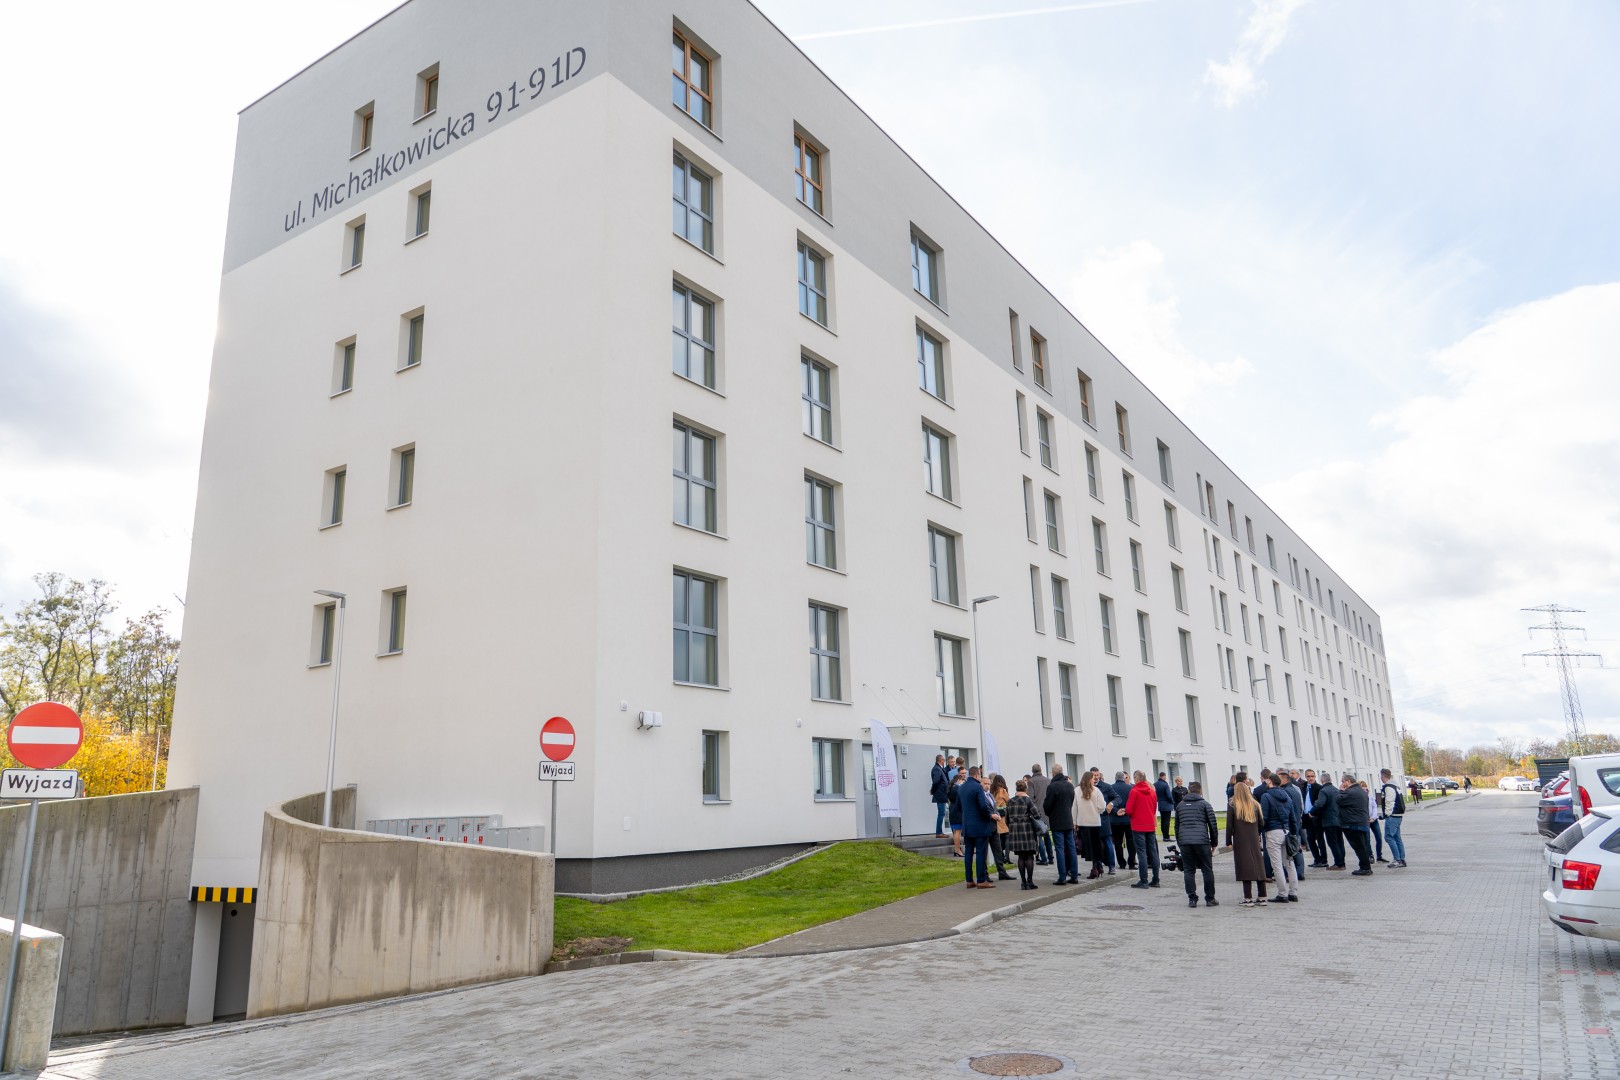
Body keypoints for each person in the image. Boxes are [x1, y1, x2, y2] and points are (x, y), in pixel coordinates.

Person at [1174, 780, 1220, 907]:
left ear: (1188, 791)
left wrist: (1180, 842)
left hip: (1185, 842)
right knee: (1207, 869)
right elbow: (1213, 825)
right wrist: (1214, 843)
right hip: (1202, 841)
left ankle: (1192, 899)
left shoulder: (1180, 806)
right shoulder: (1205, 804)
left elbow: (1177, 827)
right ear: (1201, 791)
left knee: (1189, 870)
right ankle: (1210, 898)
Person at [1226, 779, 1268, 906]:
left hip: (1240, 838)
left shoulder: (1233, 804)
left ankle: (1248, 897)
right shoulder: (1255, 804)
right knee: (1258, 864)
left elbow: (1229, 824)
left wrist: (1228, 840)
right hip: (1254, 837)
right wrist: (1257, 833)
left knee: (1244, 866)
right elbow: (1261, 823)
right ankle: (1262, 896)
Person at [1260, 774, 1301, 902]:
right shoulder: (1287, 796)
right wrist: (1294, 834)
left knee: (1277, 865)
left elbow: (1264, 818)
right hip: (1286, 831)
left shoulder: (1266, 796)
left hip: (1273, 831)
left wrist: (1258, 832)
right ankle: (1293, 892)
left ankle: (1282, 893)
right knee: (1289, 862)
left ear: (1270, 781)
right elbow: (1292, 818)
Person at [958, 766, 1001, 888]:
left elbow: (959, 807)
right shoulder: (978, 787)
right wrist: (989, 816)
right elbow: (982, 806)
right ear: (977, 775)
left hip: (967, 826)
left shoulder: (961, 788)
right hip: (980, 826)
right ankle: (981, 880)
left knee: (968, 854)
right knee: (981, 853)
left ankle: (969, 880)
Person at [1122, 770, 1162, 889]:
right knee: (1153, 851)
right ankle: (1156, 879)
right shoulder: (1152, 791)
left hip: (1138, 825)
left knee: (1141, 852)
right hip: (1150, 824)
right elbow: (1154, 807)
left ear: (1136, 778)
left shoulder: (1134, 791)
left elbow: (1129, 810)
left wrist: (1131, 815)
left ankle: (1144, 880)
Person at [1003, 778, 1042, 889]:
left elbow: (1006, 819)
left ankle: (1023, 883)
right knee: (1029, 856)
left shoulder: (1010, 801)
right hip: (1027, 830)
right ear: (1026, 789)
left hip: (1015, 831)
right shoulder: (1027, 800)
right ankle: (1030, 882)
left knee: (1021, 857)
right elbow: (1037, 815)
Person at [1043, 765, 1079, 884]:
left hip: (1057, 820)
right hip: (1068, 819)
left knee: (1060, 848)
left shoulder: (1052, 786)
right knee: (1071, 847)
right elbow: (1071, 801)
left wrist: (1050, 813)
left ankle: (1062, 876)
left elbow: (1047, 805)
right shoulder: (1069, 785)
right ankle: (1074, 875)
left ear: (1053, 773)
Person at [1337, 774, 1373, 875]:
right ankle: (1365, 866)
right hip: (1362, 822)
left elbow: (1338, 800)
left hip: (1353, 823)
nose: (1342, 784)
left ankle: (1365, 868)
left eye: (1343, 781)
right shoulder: (1361, 790)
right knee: (1363, 846)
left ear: (1348, 781)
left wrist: (1341, 790)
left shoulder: (1350, 792)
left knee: (1359, 847)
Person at [1076, 771, 1108, 879]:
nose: (1094, 780)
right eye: (1093, 778)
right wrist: (1097, 811)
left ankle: (1096, 868)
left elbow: (1074, 807)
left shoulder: (1077, 790)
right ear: (1089, 779)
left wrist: (1074, 821)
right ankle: (1097, 867)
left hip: (1082, 822)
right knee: (1095, 846)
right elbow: (1102, 806)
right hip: (1094, 822)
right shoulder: (1096, 790)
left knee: (1088, 847)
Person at [1089, 767, 1118, 873]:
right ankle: (1097, 866)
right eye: (1094, 776)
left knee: (1107, 841)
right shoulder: (1086, 787)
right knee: (1094, 843)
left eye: (1098, 775)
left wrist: (1111, 804)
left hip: (1104, 818)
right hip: (1091, 818)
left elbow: (1117, 798)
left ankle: (1111, 866)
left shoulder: (1106, 786)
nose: (1096, 777)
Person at [1314, 771, 1345, 870]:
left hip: (1329, 820)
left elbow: (1320, 804)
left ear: (1322, 780)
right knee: (1340, 842)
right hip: (1338, 819)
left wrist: (1311, 812)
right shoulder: (1336, 790)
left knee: (1332, 843)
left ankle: (1338, 863)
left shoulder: (1323, 791)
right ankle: (1342, 862)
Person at [988, 774, 1016, 881]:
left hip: (995, 818)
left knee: (999, 838)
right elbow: (1009, 801)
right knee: (1007, 836)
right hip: (1003, 817)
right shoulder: (1002, 790)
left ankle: (1002, 857)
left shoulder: (991, 791)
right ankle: (1006, 857)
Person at [1379, 768, 1408, 868]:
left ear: (1383, 776)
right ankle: (1401, 859)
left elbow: (1389, 802)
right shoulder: (1396, 786)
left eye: (1381, 776)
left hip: (1392, 816)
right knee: (1397, 838)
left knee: (1389, 837)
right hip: (1398, 815)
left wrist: (1386, 814)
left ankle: (1397, 859)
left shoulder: (1389, 787)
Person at [1027, 764, 1053, 866]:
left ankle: (1044, 858)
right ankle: (1051, 857)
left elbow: (1030, 798)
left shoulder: (1031, 781)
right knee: (1046, 834)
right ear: (1041, 770)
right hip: (1047, 810)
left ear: (1032, 771)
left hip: (1037, 811)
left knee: (1039, 835)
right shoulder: (1048, 780)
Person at [1301, 769, 1328, 867]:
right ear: (1305, 777)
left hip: (1316, 817)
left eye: (1312, 776)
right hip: (1307, 817)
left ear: (1315, 776)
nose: (1310, 778)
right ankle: (1317, 859)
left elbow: (1321, 804)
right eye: (1308, 776)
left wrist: (1316, 813)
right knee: (1310, 839)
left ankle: (1324, 860)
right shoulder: (1303, 787)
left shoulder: (1319, 788)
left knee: (1320, 839)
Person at [1111, 771, 1137, 870]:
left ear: (1115, 778)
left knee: (1117, 842)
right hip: (1128, 819)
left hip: (1115, 819)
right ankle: (1131, 863)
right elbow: (1133, 803)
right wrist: (1125, 810)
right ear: (1123, 778)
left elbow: (1108, 803)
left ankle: (1121, 863)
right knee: (1131, 841)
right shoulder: (1130, 788)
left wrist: (1116, 811)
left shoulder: (1111, 788)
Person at [1361, 780, 1387, 863]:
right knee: (1367, 839)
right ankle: (1370, 855)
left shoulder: (1370, 797)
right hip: (1365, 820)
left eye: (1365, 787)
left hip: (1373, 819)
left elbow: (1375, 807)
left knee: (1379, 837)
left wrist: (1373, 817)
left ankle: (1379, 855)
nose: (1365, 788)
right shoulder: (1359, 798)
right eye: (1362, 787)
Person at [930, 755, 951, 837]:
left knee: (942, 813)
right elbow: (936, 781)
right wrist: (933, 790)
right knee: (941, 813)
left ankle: (939, 832)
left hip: (942, 793)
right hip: (940, 794)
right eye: (943, 760)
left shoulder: (939, 768)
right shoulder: (937, 769)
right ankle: (939, 832)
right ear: (940, 760)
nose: (944, 761)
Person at [947, 771, 966, 857]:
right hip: (958, 810)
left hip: (952, 809)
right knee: (958, 831)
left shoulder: (951, 787)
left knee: (955, 831)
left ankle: (956, 849)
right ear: (959, 780)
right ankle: (958, 850)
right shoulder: (958, 788)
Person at [1155, 772, 1175, 839]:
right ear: (1164, 776)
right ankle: (1166, 836)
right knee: (1167, 821)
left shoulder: (1155, 784)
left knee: (1162, 821)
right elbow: (1169, 796)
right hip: (1167, 805)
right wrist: (1172, 802)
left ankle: (1164, 835)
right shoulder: (1165, 785)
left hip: (1160, 804)